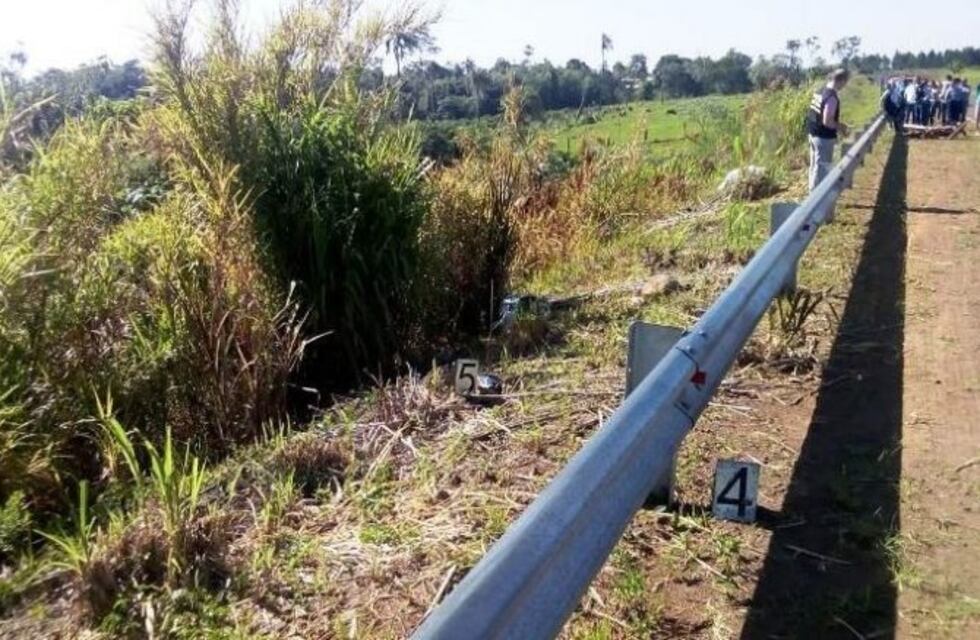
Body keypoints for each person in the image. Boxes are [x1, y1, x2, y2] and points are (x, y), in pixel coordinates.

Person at [807, 69, 850, 191]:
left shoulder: (820, 91)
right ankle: (816, 199)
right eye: (845, 83)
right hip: (823, 138)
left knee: (814, 166)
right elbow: (827, 121)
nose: (844, 86)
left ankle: (811, 193)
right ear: (840, 81)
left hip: (813, 134)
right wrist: (841, 127)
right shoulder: (832, 97)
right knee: (821, 169)